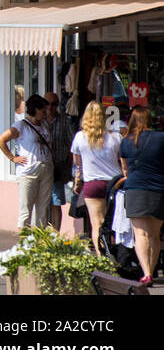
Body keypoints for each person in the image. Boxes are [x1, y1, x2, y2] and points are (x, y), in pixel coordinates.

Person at [118, 105, 164, 286]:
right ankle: (150, 271)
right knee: (154, 234)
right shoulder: (161, 138)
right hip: (158, 190)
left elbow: (125, 170)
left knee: (140, 235)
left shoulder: (126, 142)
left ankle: (146, 273)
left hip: (135, 189)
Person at [0, 94, 54, 229]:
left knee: (43, 208)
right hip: (28, 170)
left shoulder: (44, 125)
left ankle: (40, 241)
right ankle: (24, 243)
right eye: (43, 110)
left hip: (46, 168)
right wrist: (12, 157)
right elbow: (1, 141)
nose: (45, 113)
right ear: (35, 109)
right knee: (26, 209)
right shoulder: (21, 126)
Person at [71, 101, 121, 244]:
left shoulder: (79, 137)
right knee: (115, 224)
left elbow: (77, 165)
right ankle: (116, 254)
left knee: (97, 223)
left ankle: (101, 257)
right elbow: (122, 160)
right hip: (115, 184)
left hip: (92, 184)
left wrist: (77, 181)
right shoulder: (115, 137)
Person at [44, 91, 75, 231]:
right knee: (42, 202)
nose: (50, 107)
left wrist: (68, 163)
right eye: (47, 103)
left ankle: (55, 234)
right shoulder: (39, 119)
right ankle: (42, 234)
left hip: (57, 166)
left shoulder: (63, 120)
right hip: (43, 166)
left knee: (56, 202)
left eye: (54, 104)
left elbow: (71, 144)